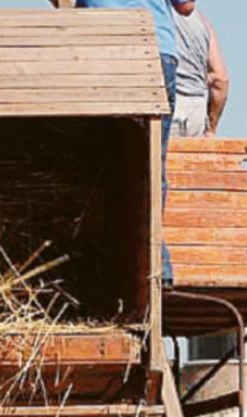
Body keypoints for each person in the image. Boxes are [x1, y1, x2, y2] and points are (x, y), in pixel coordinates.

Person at [74, 0, 179, 279]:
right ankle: (157, 262)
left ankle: (99, 258)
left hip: (99, 46)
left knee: (99, 160)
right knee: (152, 162)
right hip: (156, 49)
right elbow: (187, 7)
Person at [170, 1, 229, 137]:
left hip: (171, 103)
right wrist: (211, 129)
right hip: (197, 110)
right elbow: (220, 79)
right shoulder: (203, 24)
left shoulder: (157, 16)